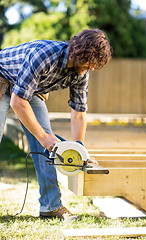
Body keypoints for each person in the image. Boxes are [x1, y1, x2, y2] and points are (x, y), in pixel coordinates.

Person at [0, 29, 112, 221]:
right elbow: (17, 102)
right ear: (78, 51)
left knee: (50, 148)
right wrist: (44, 137)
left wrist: (79, 151)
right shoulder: (44, 55)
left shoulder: (82, 72)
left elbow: (78, 113)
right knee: (44, 139)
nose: (91, 68)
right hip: (2, 77)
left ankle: (51, 206)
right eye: (89, 62)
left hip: (29, 91)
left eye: (95, 65)